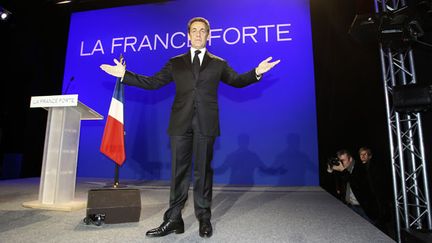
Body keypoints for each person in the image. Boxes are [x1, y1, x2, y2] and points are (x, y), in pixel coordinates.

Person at [100, 17, 280, 238]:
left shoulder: (218, 63)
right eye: (194, 31)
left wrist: (256, 72)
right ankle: (174, 219)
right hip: (180, 123)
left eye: (202, 31)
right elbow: (153, 83)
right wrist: (125, 75)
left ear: (208, 35)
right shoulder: (175, 62)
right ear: (188, 35)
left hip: (206, 124)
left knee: (203, 172)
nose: (197, 34)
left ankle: (204, 218)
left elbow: (237, 80)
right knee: (178, 173)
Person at [327, 149, 379, 224]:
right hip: (349, 206)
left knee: (372, 230)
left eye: (343, 160)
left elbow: (356, 184)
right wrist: (330, 169)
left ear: (350, 159)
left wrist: (343, 170)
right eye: (340, 161)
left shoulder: (360, 167)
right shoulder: (343, 169)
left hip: (363, 207)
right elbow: (330, 184)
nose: (341, 163)